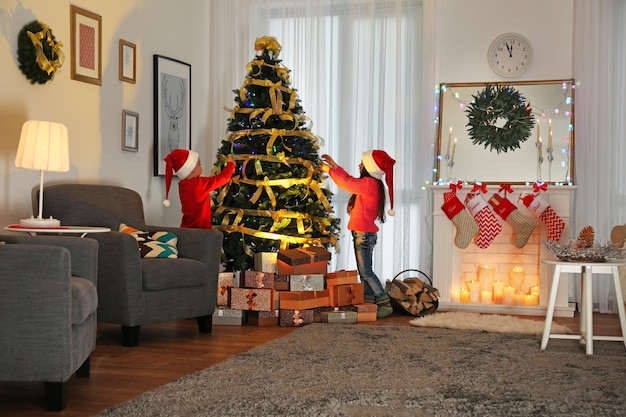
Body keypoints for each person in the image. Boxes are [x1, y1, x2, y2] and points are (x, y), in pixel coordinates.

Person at [319, 150, 396, 318]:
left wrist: (328, 170)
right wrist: (334, 166)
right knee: (364, 272)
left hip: (364, 235)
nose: (359, 165)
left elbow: (346, 183)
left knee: (366, 272)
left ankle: (384, 302)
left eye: (362, 163)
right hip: (364, 234)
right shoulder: (372, 183)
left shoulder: (368, 183)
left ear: (369, 167)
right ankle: (368, 300)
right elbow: (350, 180)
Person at [163, 149, 236, 229]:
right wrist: (231, 164)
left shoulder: (183, 185)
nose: (201, 167)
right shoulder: (199, 184)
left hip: (186, 228)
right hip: (201, 229)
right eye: (199, 164)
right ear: (193, 170)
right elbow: (224, 178)